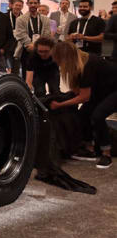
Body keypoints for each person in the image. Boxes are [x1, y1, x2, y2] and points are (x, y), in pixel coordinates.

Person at [50, 40, 117, 169]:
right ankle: (89, 148)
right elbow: (79, 91)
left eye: (57, 59)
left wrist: (60, 104)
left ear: (65, 58)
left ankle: (106, 153)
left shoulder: (88, 65)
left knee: (98, 115)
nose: (56, 62)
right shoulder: (80, 63)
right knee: (83, 114)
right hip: (104, 90)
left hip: (113, 90)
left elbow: (84, 97)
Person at [14, 0, 51, 79]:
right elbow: (20, 34)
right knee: (26, 75)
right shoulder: (20, 19)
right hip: (26, 50)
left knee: (39, 75)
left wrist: (37, 46)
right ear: (27, 4)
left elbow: (47, 34)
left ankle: (38, 92)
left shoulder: (45, 19)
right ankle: (26, 91)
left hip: (41, 51)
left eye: (35, 3)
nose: (33, 5)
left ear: (38, 4)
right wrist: (29, 44)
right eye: (31, 3)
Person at [7, 0, 24, 73]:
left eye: (20, 5)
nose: (18, 7)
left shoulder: (24, 18)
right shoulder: (4, 16)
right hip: (7, 44)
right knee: (7, 66)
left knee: (16, 67)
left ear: (22, 7)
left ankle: (15, 81)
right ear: (12, 6)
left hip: (19, 44)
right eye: (16, 5)